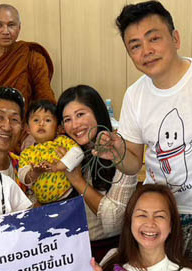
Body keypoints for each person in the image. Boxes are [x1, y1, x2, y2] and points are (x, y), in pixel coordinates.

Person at [101, 0, 192, 261]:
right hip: (159, 215)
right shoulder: (135, 95)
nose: (146, 51)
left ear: (175, 38)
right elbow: (132, 165)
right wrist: (118, 153)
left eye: (154, 38)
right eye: (135, 46)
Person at [57, 85, 138, 260]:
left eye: (80, 114)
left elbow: (114, 222)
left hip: (111, 252)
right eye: (67, 119)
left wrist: (77, 181)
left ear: (97, 113)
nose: (75, 125)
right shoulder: (63, 152)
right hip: (71, 252)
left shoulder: (119, 150)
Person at [18, 100, 84, 204]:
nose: (41, 124)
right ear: (28, 128)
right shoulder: (27, 153)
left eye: (47, 120)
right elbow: (22, 175)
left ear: (58, 128)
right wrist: (34, 173)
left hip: (68, 196)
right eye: (36, 120)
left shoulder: (62, 141)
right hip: (43, 203)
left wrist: (58, 166)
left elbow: (78, 153)